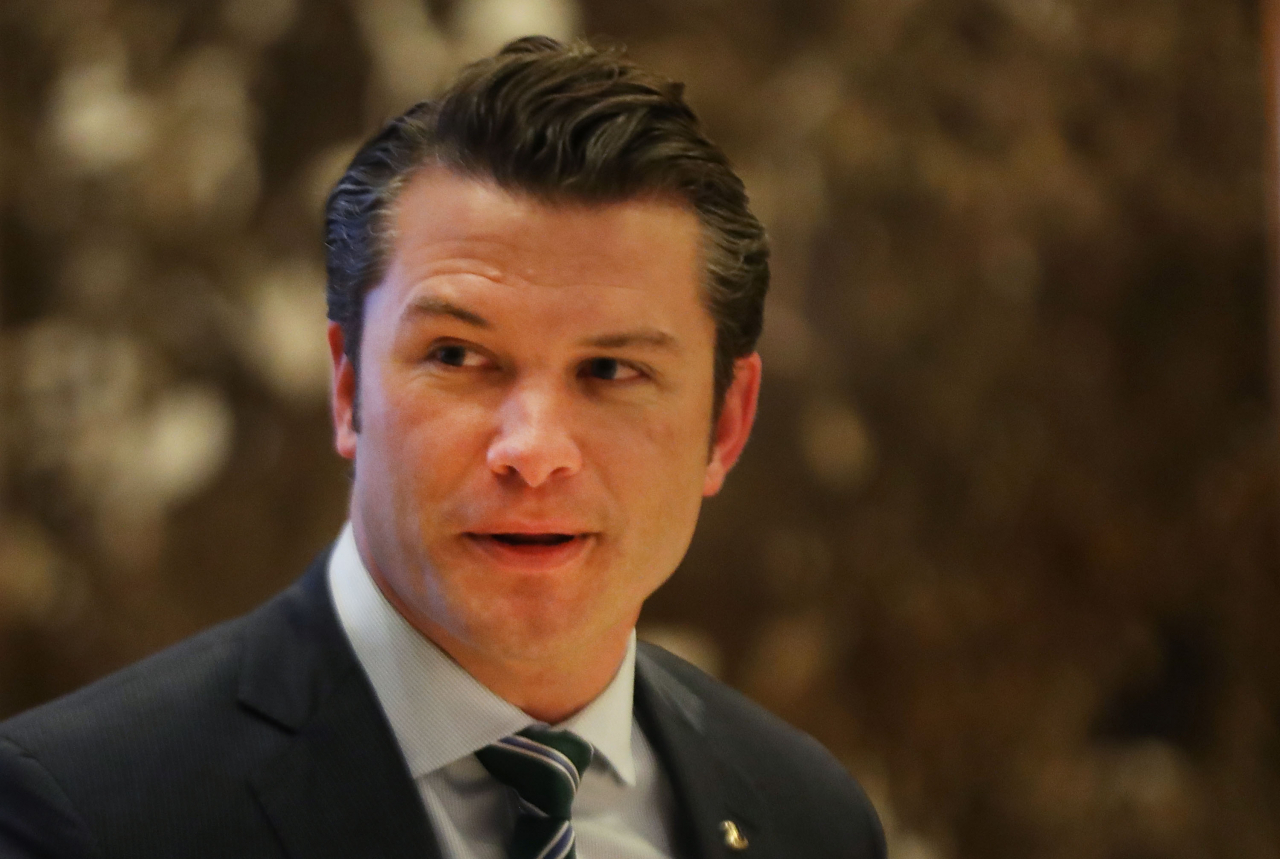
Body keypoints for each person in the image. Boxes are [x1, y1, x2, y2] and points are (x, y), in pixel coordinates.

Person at [0, 36, 885, 859]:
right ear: (347, 388)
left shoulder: (810, 818)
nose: (533, 451)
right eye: (458, 356)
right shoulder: (80, 811)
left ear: (726, 424)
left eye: (612, 369)